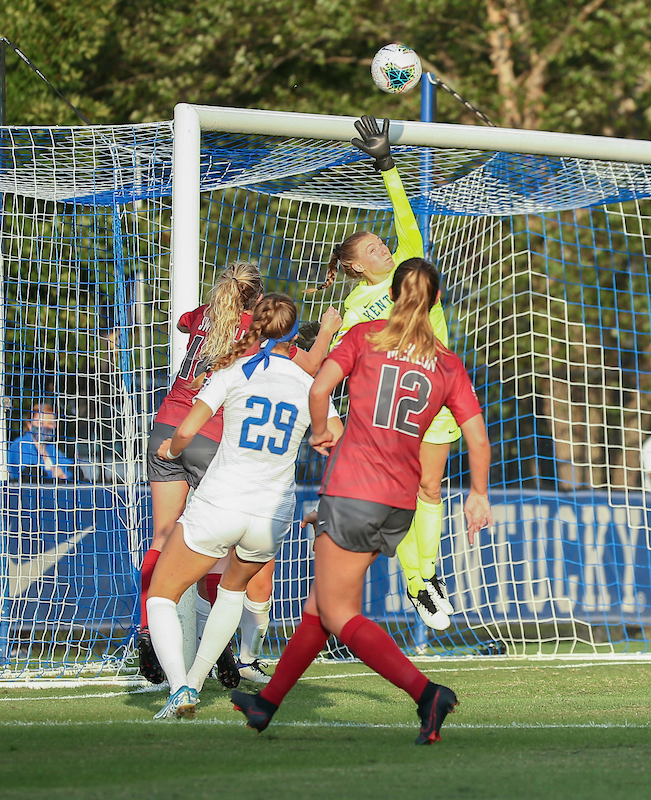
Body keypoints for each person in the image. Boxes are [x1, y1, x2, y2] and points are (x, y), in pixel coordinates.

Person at [231, 258, 492, 745]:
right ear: (436, 301)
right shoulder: (447, 362)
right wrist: (477, 495)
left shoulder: (366, 335)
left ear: (392, 295)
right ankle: (265, 705)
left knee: (338, 613)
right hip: (399, 502)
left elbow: (320, 386)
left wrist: (323, 429)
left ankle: (427, 693)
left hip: (354, 490)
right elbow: (477, 439)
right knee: (321, 607)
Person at [137, 261, 336, 686]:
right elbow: (312, 364)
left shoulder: (210, 312)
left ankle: (147, 630)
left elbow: (181, 322)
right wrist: (327, 330)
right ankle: (222, 646)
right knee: (222, 548)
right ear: (259, 299)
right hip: (208, 434)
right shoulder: (255, 332)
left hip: (165, 426)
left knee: (161, 537)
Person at [311, 115, 462, 630]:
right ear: (355, 266)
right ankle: (418, 584)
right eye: (372, 248)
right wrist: (330, 415)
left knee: (430, 490)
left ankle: (427, 577)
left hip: (435, 396)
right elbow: (339, 363)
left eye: (383, 243)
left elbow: (405, 219)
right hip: (390, 411)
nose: (384, 248)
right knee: (402, 496)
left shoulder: (412, 275)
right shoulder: (356, 310)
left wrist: (386, 165)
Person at [7, 403, 76, 481]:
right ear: (29, 425)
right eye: (40, 423)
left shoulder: (51, 448)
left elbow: (71, 469)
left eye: (50, 423)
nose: (45, 427)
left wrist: (63, 474)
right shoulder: (20, 445)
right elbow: (29, 474)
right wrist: (53, 474)